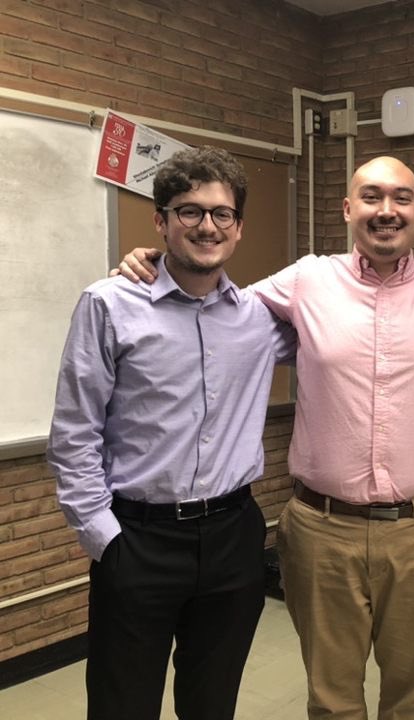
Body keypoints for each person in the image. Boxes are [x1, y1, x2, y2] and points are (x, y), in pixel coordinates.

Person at [117, 156, 414, 720]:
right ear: (348, 209)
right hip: (323, 532)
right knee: (331, 700)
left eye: (401, 198)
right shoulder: (307, 280)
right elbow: (212, 304)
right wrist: (159, 263)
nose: (386, 210)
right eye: (371, 197)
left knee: (412, 701)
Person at [47, 145, 297, 720]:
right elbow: (75, 433)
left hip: (233, 537)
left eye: (222, 213)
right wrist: (105, 539)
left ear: (238, 227)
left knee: (212, 705)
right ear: (160, 221)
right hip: (138, 540)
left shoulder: (259, 318)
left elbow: (341, 325)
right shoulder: (108, 304)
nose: (207, 226)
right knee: (122, 706)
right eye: (189, 211)